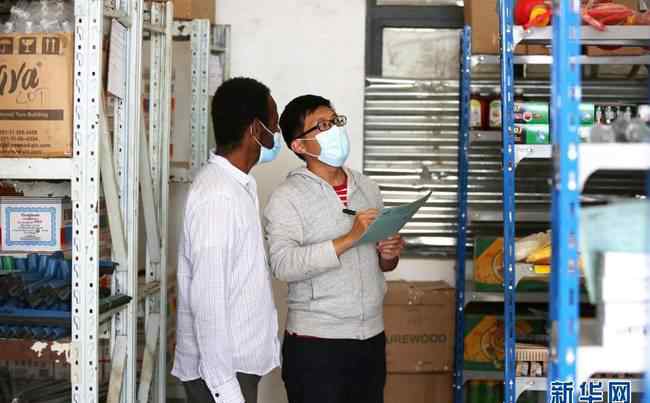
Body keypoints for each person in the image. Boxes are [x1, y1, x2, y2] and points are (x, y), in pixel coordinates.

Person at [264, 95, 406, 403]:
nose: (334, 130)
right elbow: (283, 265)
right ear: (299, 146)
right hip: (316, 344)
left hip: (370, 338)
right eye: (322, 126)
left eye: (335, 121)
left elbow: (383, 265)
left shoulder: (368, 187)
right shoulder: (287, 197)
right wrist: (350, 238)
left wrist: (389, 254)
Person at [172, 77, 283, 403]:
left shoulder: (237, 186)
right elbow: (208, 299)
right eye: (273, 124)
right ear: (254, 129)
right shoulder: (218, 197)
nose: (277, 134)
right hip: (221, 377)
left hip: (235, 368)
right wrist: (225, 390)